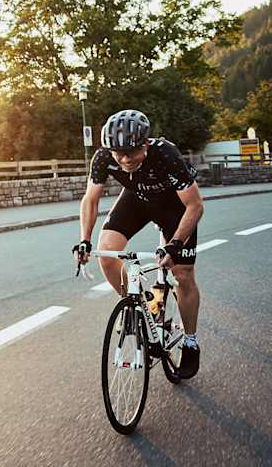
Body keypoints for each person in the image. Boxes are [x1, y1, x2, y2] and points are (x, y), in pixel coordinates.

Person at [73, 109, 203, 378]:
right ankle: (138, 307)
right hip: (136, 199)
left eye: (130, 152)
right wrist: (84, 240)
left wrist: (175, 244)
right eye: (117, 153)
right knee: (106, 253)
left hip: (173, 206)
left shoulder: (165, 154)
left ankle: (190, 341)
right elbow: (90, 199)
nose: (123, 159)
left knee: (183, 274)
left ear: (145, 143)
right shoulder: (103, 157)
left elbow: (195, 205)